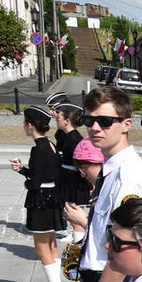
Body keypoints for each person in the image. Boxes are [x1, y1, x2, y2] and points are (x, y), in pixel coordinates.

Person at [73, 86, 142, 282]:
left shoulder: (129, 177)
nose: (95, 128)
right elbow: (96, 242)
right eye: (89, 120)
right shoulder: (110, 171)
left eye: (105, 121)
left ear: (126, 125)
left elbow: (124, 253)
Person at [10, 105, 65, 282]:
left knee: (42, 246)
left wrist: (26, 179)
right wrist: (23, 169)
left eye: (25, 124)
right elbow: (42, 173)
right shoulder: (50, 145)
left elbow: (35, 181)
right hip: (52, 197)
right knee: (51, 244)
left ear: (30, 125)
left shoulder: (37, 148)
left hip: (40, 200)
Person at [54, 102, 91, 242]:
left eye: (59, 117)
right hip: (67, 177)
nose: (57, 119)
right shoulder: (66, 136)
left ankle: (78, 239)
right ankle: (76, 236)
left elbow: (83, 164)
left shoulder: (75, 138)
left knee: (74, 210)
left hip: (74, 180)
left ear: (67, 120)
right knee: (69, 209)